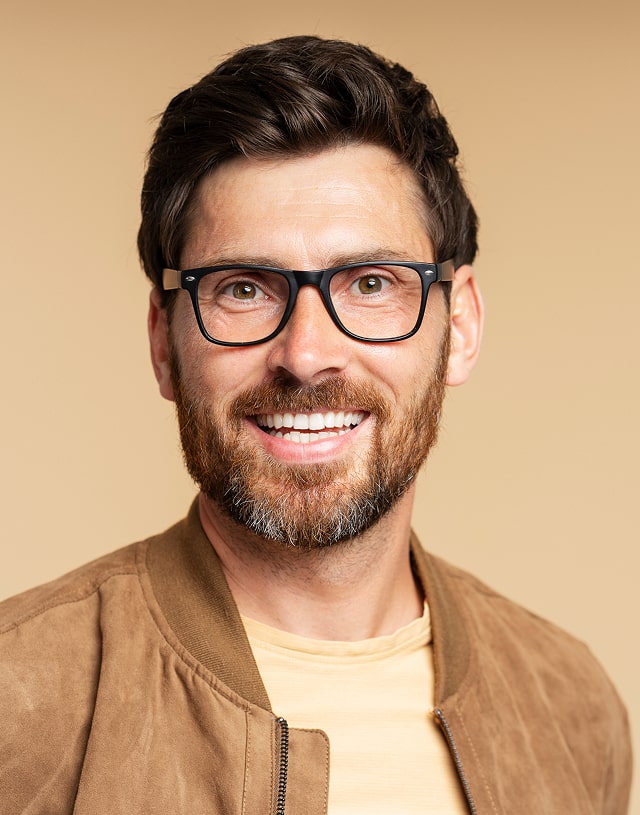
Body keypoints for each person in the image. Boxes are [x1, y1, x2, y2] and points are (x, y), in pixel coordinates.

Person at [0, 35, 631, 814]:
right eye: (243, 288)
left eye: (370, 283)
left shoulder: (573, 710)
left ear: (461, 326)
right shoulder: (17, 704)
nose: (305, 354)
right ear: (164, 343)